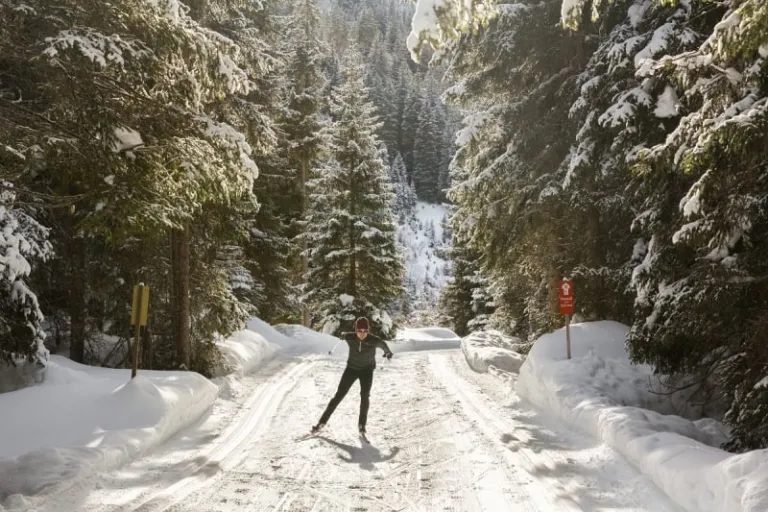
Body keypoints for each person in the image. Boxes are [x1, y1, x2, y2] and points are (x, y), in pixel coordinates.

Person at [312, 317, 393, 436]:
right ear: (356, 330)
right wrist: (342, 335)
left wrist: (388, 352)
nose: (362, 333)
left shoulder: (374, 340)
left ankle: (362, 425)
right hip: (351, 369)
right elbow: (344, 335)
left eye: (365, 331)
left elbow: (384, 345)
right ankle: (322, 422)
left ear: (368, 330)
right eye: (359, 330)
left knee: (365, 396)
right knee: (339, 395)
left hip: (367, 371)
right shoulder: (351, 337)